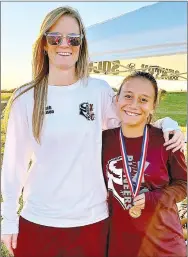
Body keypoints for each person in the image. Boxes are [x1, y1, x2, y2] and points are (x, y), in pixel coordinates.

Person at [1, 6, 185, 257]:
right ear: (44, 44)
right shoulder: (26, 97)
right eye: (55, 37)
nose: (64, 44)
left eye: (73, 39)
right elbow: (14, 166)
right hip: (39, 220)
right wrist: (8, 219)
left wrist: (166, 124)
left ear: (81, 44)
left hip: (92, 222)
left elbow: (132, 116)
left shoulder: (97, 90)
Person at [102, 71, 187, 257]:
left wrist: (154, 199)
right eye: (128, 96)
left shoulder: (167, 140)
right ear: (117, 99)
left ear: (153, 106)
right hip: (119, 246)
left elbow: (183, 185)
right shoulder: (102, 141)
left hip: (163, 246)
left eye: (143, 99)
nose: (133, 105)